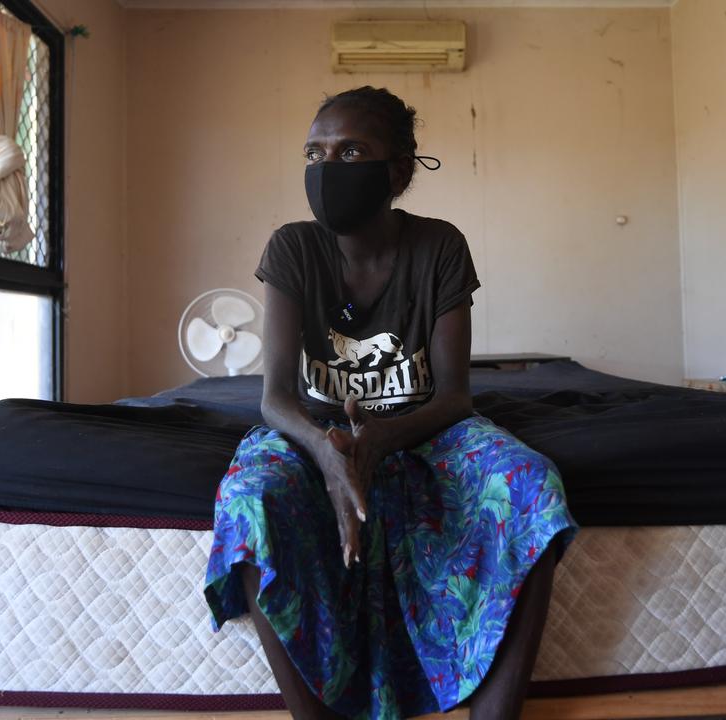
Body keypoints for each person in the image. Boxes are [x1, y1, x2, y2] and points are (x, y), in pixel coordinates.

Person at [204, 86, 577, 720]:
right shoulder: (293, 248)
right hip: (311, 428)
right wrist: (327, 453)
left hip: (427, 429)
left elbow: (456, 396)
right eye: (314, 153)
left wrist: (378, 441)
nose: (326, 169)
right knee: (248, 501)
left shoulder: (441, 247)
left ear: (398, 170)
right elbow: (275, 398)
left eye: (350, 151)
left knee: (533, 485)